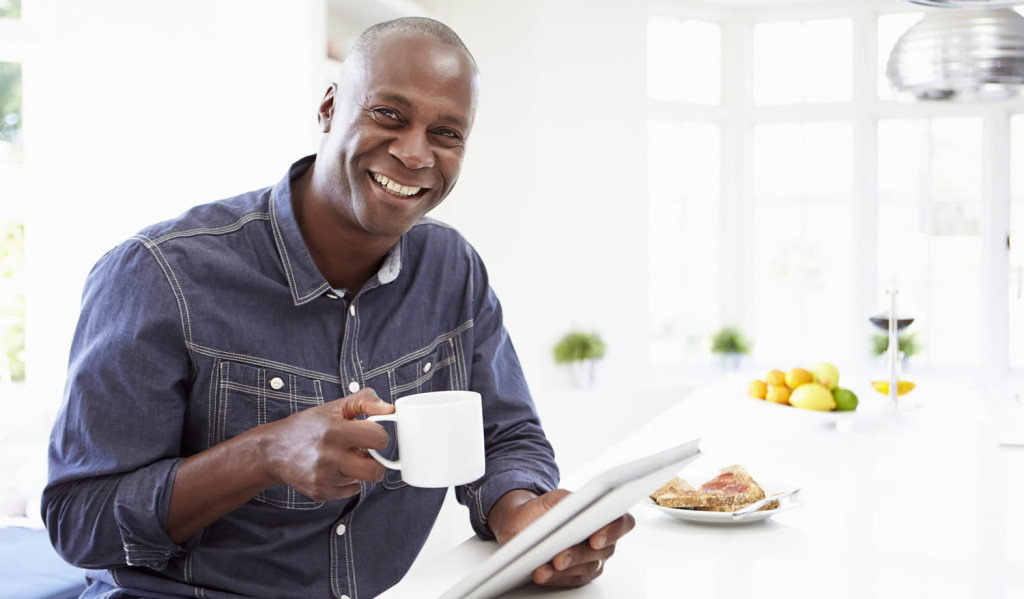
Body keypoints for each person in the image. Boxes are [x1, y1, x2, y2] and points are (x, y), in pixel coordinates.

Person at [43, 16, 634, 599]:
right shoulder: (158, 273)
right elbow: (79, 520)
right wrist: (263, 455)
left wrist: (522, 517)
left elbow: (505, 435)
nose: (414, 153)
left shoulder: (452, 271)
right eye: (388, 115)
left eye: (446, 133)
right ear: (329, 108)